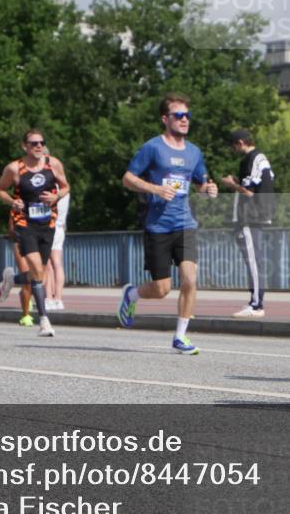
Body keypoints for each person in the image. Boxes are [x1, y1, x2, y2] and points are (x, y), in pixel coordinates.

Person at [117, 92, 218, 355]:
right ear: (165, 119)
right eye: (179, 115)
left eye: (187, 115)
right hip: (157, 226)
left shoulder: (194, 152)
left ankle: (180, 336)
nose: (185, 120)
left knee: (190, 280)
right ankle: (131, 295)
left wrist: (208, 189)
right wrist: (155, 189)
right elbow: (128, 178)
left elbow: (201, 183)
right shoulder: (153, 147)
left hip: (185, 224)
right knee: (162, 289)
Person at [0, 130, 69, 338]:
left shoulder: (53, 164)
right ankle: (44, 321)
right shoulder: (15, 168)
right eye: (34, 143)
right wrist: (12, 201)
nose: (38, 146)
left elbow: (66, 187)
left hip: (47, 223)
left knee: (40, 274)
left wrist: (56, 197)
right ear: (24, 146)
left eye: (41, 143)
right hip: (24, 223)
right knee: (36, 268)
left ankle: (11, 280)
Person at [220, 128, 275, 319]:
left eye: (234, 146)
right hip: (256, 216)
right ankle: (254, 301)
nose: (233, 149)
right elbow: (256, 186)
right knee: (253, 260)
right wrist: (237, 182)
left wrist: (232, 184)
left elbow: (250, 192)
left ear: (241, 142)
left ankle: (256, 305)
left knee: (253, 261)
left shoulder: (251, 159)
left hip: (251, 217)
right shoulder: (260, 159)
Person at [46, 182, 70, 311]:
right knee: (58, 263)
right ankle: (58, 299)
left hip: (49, 226)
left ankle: (49, 297)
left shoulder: (50, 188)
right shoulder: (65, 191)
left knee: (47, 264)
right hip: (60, 227)